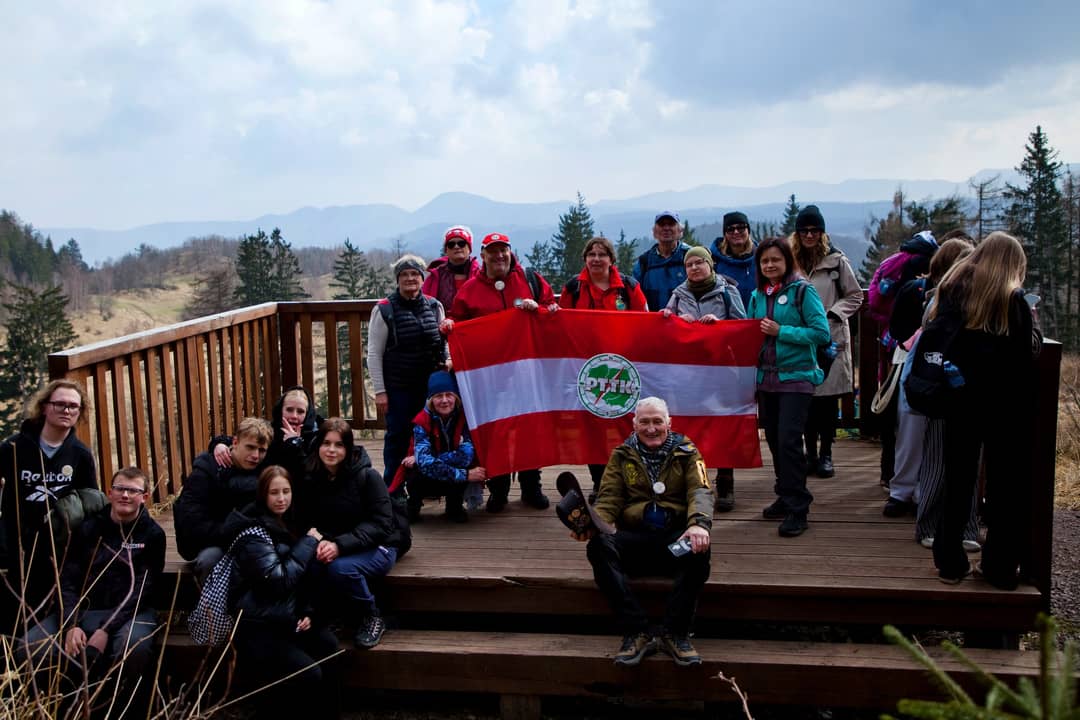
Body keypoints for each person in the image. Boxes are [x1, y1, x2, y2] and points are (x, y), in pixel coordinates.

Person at [929, 232, 1041, 588]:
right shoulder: (1013, 301)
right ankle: (1000, 567)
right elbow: (1027, 353)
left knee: (958, 482)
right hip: (1004, 407)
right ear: (1012, 265)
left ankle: (950, 563)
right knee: (1006, 487)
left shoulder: (954, 293)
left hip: (959, 400)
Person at [577, 397, 713, 667]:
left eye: (657, 421)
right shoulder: (621, 455)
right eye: (645, 422)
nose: (651, 428)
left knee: (698, 549)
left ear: (669, 423)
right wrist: (594, 524)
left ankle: (676, 633)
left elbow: (700, 490)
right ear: (635, 424)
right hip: (636, 539)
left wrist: (699, 523)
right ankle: (637, 631)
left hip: (674, 541)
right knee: (599, 546)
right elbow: (609, 498)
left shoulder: (687, 452)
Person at [17, 467, 165, 714]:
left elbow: (142, 590)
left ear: (145, 497)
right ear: (109, 492)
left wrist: (106, 629)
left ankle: (121, 711)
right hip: (83, 609)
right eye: (120, 489)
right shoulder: (88, 529)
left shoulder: (153, 535)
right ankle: (57, 709)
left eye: (133, 491)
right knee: (31, 644)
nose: (125, 495)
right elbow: (67, 580)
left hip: (131, 613)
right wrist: (71, 624)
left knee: (133, 646)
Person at [448, 232, 556, 512]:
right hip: (490, 376)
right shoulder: (470, 290)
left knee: (530, 428)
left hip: (527, 370)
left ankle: (531, 487)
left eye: (503, 251)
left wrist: (538, 310)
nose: (499, 256)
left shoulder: (530, 279)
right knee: (496, 431)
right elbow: (456, 321)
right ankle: (499, 490)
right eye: (492, 252)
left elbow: (553, 311)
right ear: (483, 256)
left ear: (510, 252)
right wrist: (450, 326)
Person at [226, 465, 340, 719]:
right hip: (259, 625)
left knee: (330, 646)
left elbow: (302, 578)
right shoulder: (253, 532)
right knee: (309, 674)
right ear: (262, 495)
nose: (281, 498)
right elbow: (278, 581)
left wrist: (307, 610)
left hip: (286, 616)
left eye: (286, 491)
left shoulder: (289, 520)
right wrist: (308, 543)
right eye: (274, 492)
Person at [883, 235, 974, 523]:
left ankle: (920, 493)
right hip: (920, 370)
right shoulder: (915, 290)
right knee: (911, 432)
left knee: (928, 437)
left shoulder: (967, 297)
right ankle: (903, 491)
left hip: (941, 372)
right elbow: (896, 327)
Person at [747, 237, 830, 538]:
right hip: (766, 379)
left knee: (788, 441)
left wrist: (782, 331)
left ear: (787, 261)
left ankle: (798, 507)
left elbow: (821, 333)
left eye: (775, 260)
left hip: (797, 377)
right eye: (764, 261)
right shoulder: (757, 294)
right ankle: (785, 494)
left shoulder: (803, 291)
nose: (770, 265)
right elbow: (748, 331)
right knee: (774, 439)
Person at [300, 418, 406, 648]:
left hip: (379, 545)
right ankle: (329, 616)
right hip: (340, 543)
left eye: (339, 445)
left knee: (341, 568)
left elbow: (382, 524)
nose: (331, 450)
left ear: (348, 448)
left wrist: (339, 545)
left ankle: (372, 616)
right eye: (326, 443)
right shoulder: (313, 478)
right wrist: (320, 539)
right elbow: (308, 519)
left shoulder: (367, 477)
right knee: (313, 561)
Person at [559, 236, 648, 497]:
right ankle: (601, 483)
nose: (596, 259)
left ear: (611, 259)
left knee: (626, 424)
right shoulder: (573, 288)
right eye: (591, 254)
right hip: (587, 370)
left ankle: (628, 481)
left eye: (602, 254)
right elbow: (561, 324)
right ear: (585, 259)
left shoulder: (628, 287)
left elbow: (645, 323)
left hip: (623, 368)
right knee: (592, 428)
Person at [1, 379, 98, 617]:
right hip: (16, 545)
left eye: (73, 406)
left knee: (51, 610)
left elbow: (90, 503)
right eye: (60, 404)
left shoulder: (81, 455)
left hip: (59, 547)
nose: (66, 410)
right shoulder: (12, 448)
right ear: (44, 407)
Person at [662, 246, 746, 512]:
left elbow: (742, 326)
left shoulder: (727, 291)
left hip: (722, 371)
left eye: (700, 262)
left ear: (711, 265)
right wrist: (675, 319)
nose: (695, 267)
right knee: (689, 428)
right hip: (687, 374)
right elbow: (666, 327)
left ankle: (726, 483)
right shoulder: (678, 294)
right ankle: (694, 483)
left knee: (722, 426)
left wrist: (719, 325)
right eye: (689, 264)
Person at [791, 205, 863, 479]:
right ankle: (810, 453)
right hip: (801, 338)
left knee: (828, 401)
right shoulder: (791, 261)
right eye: (804, 230)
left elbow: (855, 295)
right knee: (807, 398)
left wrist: (834, 313)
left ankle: (826, 454)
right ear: (798, 233)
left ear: (822, 233)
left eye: (815, 230)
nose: (809, 235)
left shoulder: (836, 261)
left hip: (831, 338)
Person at [368, 254, 449, 486]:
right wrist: (380, 391)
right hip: (399, 388)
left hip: (430, 388)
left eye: (415, 274)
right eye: (404, 274)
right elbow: (374, 354)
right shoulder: (384, 310)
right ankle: (393, 490)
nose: (410, 278)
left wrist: (448, 361)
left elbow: (444, 343)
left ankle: (425, 486)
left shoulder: (434, 306)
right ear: (397, 279)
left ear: (423, 278)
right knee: (398, 438)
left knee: (431, 436)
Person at [173, 417, 272, 579]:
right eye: (250, 447)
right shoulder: (205, 472)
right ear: (235, 442)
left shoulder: (263, 470)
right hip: (211, 542)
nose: (255, 455)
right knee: (209, 560)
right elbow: (191, 524)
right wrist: (231, 529)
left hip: (248, 540)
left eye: (262, 450)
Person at [391, 371, 487, 523]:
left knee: (458, 464)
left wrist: (428, 458)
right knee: (414, 471)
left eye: (449, 395)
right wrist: (465, 475)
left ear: (456, 397)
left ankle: (454, 506)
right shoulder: (421, 421)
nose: (444, 400)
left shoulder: (464, 418)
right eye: (438, 396)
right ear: (430, 399)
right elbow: (425, 464)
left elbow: (465, 456)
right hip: (429, 477)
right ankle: (414, 505)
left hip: (451, 475)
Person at [210, 385, 324, 485]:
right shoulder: (271, 431)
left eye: (300, 411)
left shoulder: (315, 438)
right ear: (281, 410)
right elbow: (241, 440)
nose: (294, 416)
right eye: (289, 410)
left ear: (308, 414)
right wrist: (219, 444)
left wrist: (294, 444)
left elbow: (307, 477)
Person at [633, 211, 690, 312]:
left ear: (680, 230)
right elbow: (635, 295)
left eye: (671, 224)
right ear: (654, 232)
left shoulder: (690, 257)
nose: (666, 228)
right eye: (661, 224)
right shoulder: (644, 262)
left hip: (685, 319)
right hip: (653, 320)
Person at [422, 225, 481, 311]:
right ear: (446, 250)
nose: (456, 247)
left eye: (461, 243)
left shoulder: (480, 275)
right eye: (451, 244)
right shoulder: (435, 277)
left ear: (469, 248)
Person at [708, 211, 757, 309]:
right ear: (725, 234)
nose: (736, 232)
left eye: (741, 228)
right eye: (730, 229)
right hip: (727, 315)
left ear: (748, 230)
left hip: (757, 314)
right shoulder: (714, 260)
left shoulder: (761, 257)